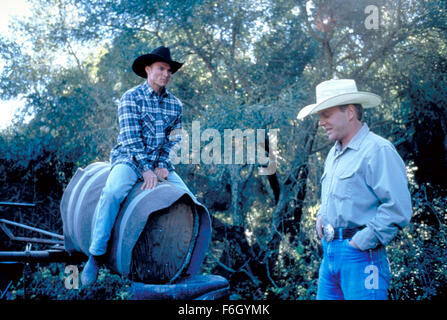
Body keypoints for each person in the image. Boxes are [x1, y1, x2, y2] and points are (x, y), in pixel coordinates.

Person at [81, 46, 192, 285]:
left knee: (188, 198)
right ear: (148, 69)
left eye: (169, 70)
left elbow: (175, 138)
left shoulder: (176, 105)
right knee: (112, 193)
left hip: (158, 163)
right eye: (162, 68)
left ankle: (186, 261)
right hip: (130, 160)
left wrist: (162, 164)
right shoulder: (130, 97)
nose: (166, 74)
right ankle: (96, 255)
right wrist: (145, 169)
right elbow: (131, 138)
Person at [297, 79, 412, 300]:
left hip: (361, 256)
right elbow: (339, 196)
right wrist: (322, 215)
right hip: (330, 255)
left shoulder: (378, 150)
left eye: (326, 115)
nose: (321, 122)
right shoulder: (334, 153)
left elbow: (398, 209)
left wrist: (362, 241)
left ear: (350, 112)